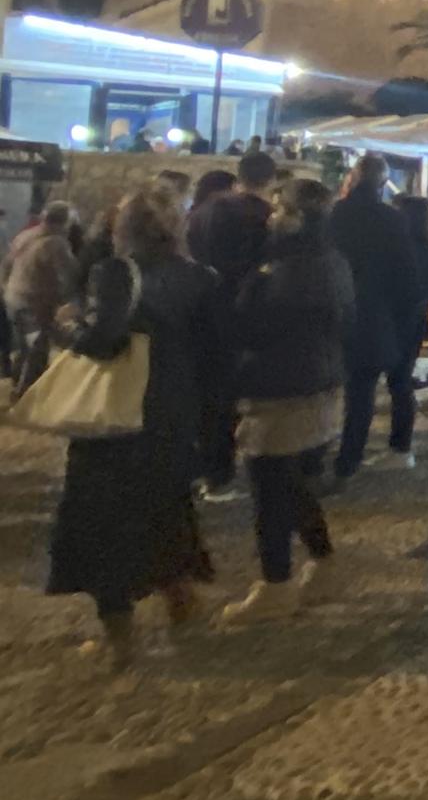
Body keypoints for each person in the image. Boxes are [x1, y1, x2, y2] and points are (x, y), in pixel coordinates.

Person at [44, 190, 221, 666]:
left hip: (119, 416)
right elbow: (213, 358)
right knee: (165, 507)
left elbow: (104, 341)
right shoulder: (201, 277)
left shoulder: (117, 272)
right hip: (174, 414)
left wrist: (64, 327)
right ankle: (182, 601)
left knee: (102, 522)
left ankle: (120, 636)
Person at [220, 179, 357, 625]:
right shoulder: (332, 260)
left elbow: (252, 329)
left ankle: (276, 583)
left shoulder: (282, 271)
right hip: (319, 381)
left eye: (280, 208)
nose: (272, 216)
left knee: (269, 486)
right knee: (294, 480)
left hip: (281, 388)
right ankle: (324, 560)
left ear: (297, 218)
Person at [188, 149, 279, 500]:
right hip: (243, 315)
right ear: (270, 179)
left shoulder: (202, 213)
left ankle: (205, 469)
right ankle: (223, 472)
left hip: (201, 310)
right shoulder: (263, 219)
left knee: (208, 395)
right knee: (235, 397)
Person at [330, 156, 426, 479]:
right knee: (377, 386)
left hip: (346, 308)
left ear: (354, 178)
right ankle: (368, 453)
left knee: (358, 389)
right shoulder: (393, 220)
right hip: (385, 311)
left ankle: (348, 457)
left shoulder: (337, 215)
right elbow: (406, 273)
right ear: (383, 183)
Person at [5, 200, 74, 392]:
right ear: (65, 221)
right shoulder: (56, 243)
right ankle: (26, 394)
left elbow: (7, 263)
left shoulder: (26, 235)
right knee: (37, 349)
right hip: (35, 303)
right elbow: (69, 275)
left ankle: (15, 386)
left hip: (13, 297)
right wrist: (70, 301)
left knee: (22, 346)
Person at [389, 192, 428, 447]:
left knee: (398, 381)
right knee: (402, 380)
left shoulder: (399, 247)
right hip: (417, 318)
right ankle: (401, 441)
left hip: (397, 318)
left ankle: (400, 440)